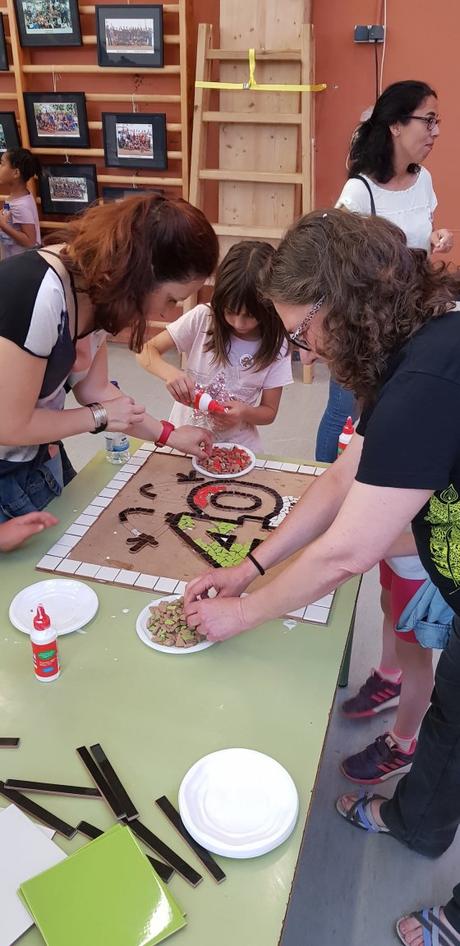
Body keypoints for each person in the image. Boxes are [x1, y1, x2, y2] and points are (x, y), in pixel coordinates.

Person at [184, 208, 460, 946]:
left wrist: (244, 615)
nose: (304, 355)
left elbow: (349, 550)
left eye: (303, 332)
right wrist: (250, 565)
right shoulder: (408, 350)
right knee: (453, 714)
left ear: (345, 307)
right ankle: (415, 820)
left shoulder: (430, 375)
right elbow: (344, 475)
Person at [0, 193, 218, 520]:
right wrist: (99, 417)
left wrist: (169, 435)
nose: (168, 312)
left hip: (37, 454)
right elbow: (11, 425)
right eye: (173, 299)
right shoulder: (39, 294)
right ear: (143, 274)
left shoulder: (101, 292)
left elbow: (96, 389)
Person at [316, 79, 453, 464]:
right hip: (364, 324)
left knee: (393, 412)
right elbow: (335, 261)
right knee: (345, 414)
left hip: (413, 319)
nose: (436, 131)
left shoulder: (423, 179)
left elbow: (421, 233)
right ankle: (317, 481)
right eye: (428, 121)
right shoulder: (360, 191)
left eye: (437, 121)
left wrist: (436, 237)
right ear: (395, 125)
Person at [137, 241, 293, 452]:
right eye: (230, 311)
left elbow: (269, 411)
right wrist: (170, 374)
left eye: (250, 316)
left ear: (269, 307)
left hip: (237, 447)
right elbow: (146, 351)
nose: (238, 323)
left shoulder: (277, 344)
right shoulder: (203, 318)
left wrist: (244, 413)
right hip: (184, 440)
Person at [0, 148, 41, 259]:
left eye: (2, 164)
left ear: (16, 173)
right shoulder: (16, 197)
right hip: (11, 260)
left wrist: (3, 226)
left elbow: (30, 242)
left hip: (20, 265)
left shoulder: (21, 206)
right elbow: (8, 213)